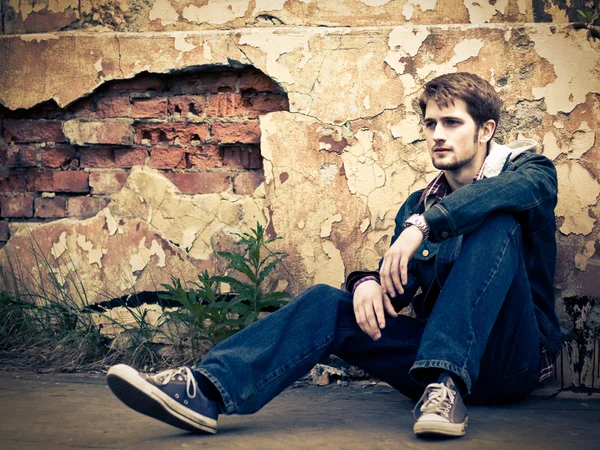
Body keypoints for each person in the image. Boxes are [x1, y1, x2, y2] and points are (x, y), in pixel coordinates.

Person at [106, 72, 560, 438]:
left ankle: (446, 384)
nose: (438, 135)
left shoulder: (528, 172)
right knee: (328, 303)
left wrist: (424, 226)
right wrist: (366, 283)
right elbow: (398, 286)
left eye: (452, 123)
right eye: (430, 124)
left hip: (508, 363)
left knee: (496, 220)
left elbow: (517, 195)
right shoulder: (415, 204)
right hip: (427, 363)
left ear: (486, 130)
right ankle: (206, 390)